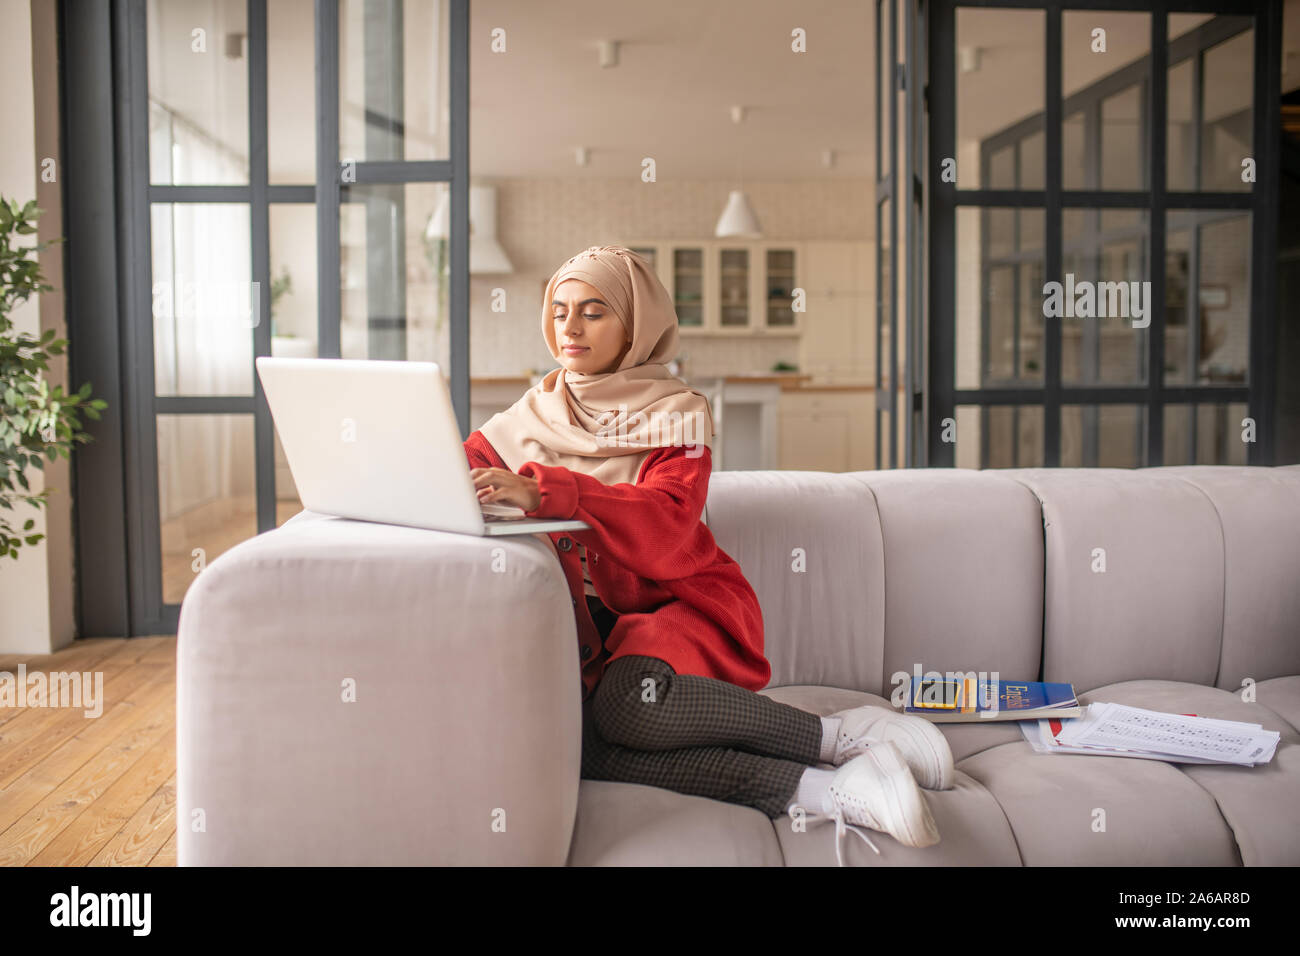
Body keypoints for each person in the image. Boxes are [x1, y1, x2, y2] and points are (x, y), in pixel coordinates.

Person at [462, 245, 954, 865]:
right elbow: (461, 465)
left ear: (636, 324)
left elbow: (667, 525)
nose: (570, 327)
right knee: (588, 748)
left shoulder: (678, 416)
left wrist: (546, 490)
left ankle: (842, 735)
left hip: (681, 608)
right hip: (589, 638)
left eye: (593, 312)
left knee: (625, 705)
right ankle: (832, 790)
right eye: (559, 310)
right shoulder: (533, 414)